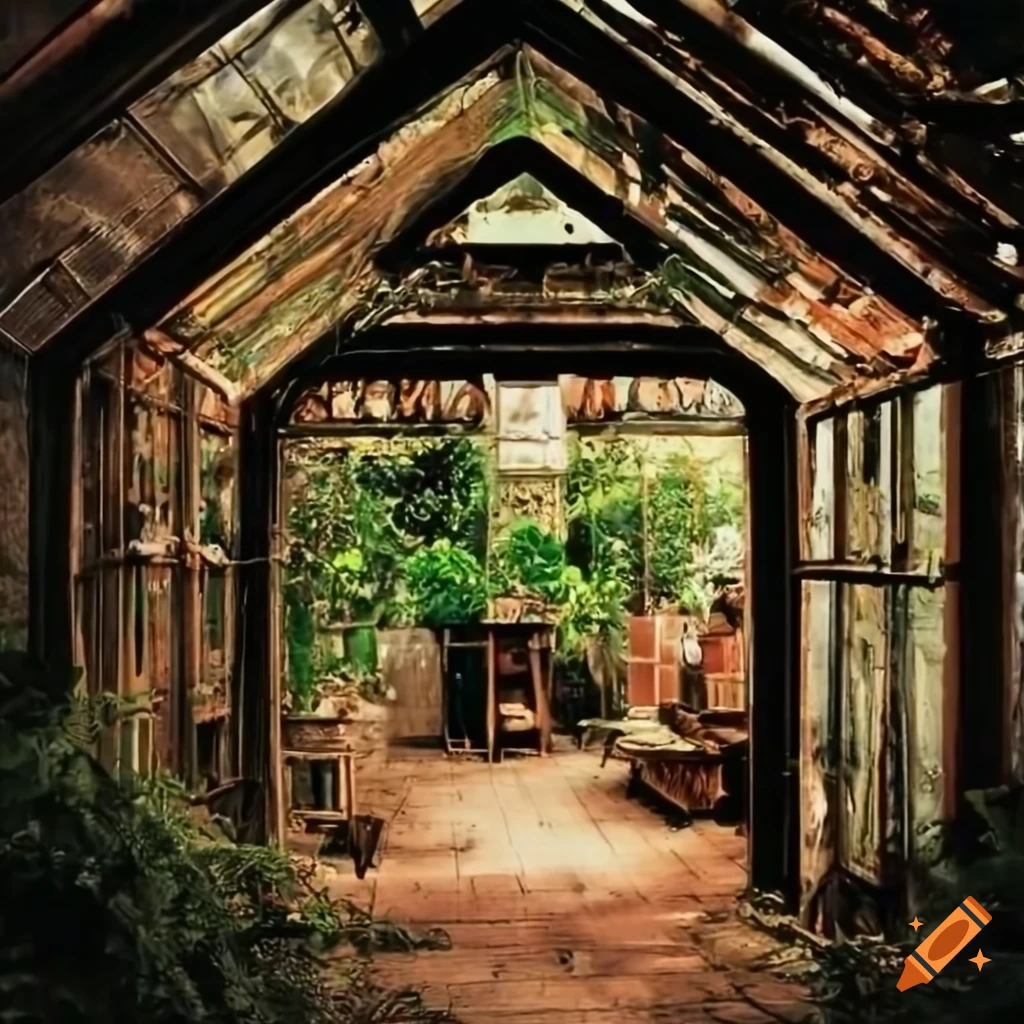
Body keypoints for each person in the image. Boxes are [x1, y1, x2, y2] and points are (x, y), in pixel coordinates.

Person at [679, 618, 706, 710]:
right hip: (689, 669)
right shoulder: (684, 640)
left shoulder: (694, 639)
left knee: (697, 695)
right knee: (690, 696)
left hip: (696, 669)